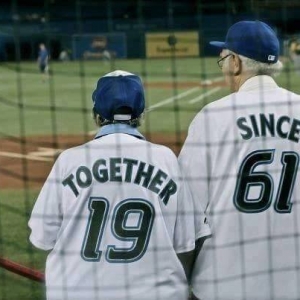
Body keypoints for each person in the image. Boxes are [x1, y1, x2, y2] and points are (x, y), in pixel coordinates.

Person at [28, 70, 211, 300]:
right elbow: (186, 245)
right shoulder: (166, 161)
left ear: (96, 115)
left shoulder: (69, 161)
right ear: (141, 115)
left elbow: (42, 238)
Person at [179, 20, 300, 300]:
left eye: (222, 60)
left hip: (222, 283)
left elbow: (186, 212)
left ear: (235, 63)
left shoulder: (213, 117)